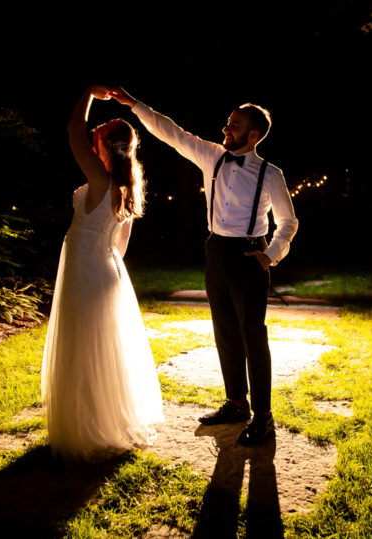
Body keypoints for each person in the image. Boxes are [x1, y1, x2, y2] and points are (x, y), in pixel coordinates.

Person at [110, 86, 298, 446]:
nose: (227, 129)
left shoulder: (270, 174)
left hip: (249, 255)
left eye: (235, 125)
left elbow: (288, 222)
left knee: (252, 334)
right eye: (228, 122)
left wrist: (270, 254)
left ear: (253, 135)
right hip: (216, 250)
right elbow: (172, 132)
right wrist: (135, 105)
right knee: (225, 330)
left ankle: (264, 416)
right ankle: (236, 403)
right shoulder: (212, 156)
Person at [40, 85, 164, 461]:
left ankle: (88, 428)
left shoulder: (100, 180)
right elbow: (120, 245)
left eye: (97, 140)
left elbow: (71, 131)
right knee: (103, 349)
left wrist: (87, 94)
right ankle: (104, 419)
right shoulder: (127, 186)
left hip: (87, 270)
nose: (90, 145)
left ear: (104, 147)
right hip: (108, 270)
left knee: (84, 348)